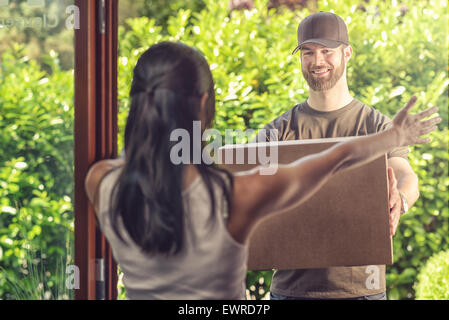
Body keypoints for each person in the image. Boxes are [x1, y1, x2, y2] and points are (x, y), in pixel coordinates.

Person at [85, 41, 439, 300]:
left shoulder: (101, 181)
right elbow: (334, 159)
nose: (317, 59)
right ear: (204, 104)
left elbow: (144, 162)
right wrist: (393, 136)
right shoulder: (235, 196)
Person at [254, 11, 429, 300]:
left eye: (326, 50)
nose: (317, 60)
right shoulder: (278, 130)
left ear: (347, 53)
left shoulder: (376, 126)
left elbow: (405, 174)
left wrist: (402, 200)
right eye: (308, 52)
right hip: (292, 291)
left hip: (363, 290)